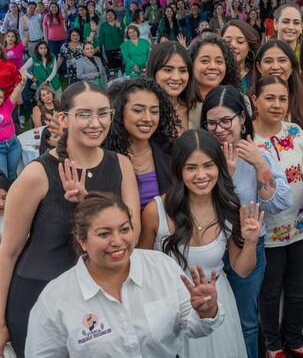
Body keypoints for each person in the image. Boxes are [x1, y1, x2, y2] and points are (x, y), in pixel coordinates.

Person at [0, 81, 140, 357]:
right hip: (38, 298)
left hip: (102, 301)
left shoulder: (121, 164)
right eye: (85, 114)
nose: (95, 123)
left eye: (103, 113)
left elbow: (130, 235)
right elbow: (8, 251)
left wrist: (89, 203)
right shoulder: (37, 174)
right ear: (64, 118)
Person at [25, 192, 225, 357]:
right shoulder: (55, 299)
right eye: (104, 234)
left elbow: (195, 328)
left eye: (124, 229)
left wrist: (206, 311)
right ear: (82, 240)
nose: (118, 241)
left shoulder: (161, 267)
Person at [139, 129, 260, 357]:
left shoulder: (229, 206)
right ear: (178, 170)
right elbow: (139, 267)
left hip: (217, 303)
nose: (201, 175)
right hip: (169, 307)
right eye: (191, 167)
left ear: (219, 167)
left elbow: (242, 270)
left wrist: (251, 241)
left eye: (208, 165)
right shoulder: (156, 211)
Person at [201, 85, 292, 358]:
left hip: (248, 243)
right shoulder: (201, 155)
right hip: (207, 246)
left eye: (226, 121)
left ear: (242, 118)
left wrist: (259, 165)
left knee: (246, 321)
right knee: (207, 320)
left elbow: (278, 203)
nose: (219, 129)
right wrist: (224, 175)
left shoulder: (257, 153)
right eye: (212, 123)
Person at [251, 75, 303, 358]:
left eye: (282, 98)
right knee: (269, 293)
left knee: (298, 290)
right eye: (269, 98)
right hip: (266, 233)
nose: (277, 104)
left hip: (302, 228)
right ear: (255, 100)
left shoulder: (295, 132)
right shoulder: (247, 139)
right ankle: (272, 346)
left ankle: (294, 342)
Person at [104, 78, 178, 210]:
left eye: (154, 111)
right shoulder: (104, 154)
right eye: (138, 110)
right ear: (120, 111)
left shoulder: (172, 150)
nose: (148, 119)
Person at [145, 41, 198, 133]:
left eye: (182, 70)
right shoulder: (141, 114)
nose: (176, 78)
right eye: (168, 70)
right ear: (153, 71)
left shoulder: (197, 110)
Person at [254, 40, 303, 127]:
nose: (275, 67)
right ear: (259, 67)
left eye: (282, 61)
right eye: (268, 61)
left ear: (292, 67)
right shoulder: (247, 99)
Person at [189, 34, 240, 100]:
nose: (213, 67)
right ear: (191, 63)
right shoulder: (178, 103)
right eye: (205, 61)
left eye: (219, 61)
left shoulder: (238, 100)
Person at [0, 68, 26, 180]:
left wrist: (23, 81)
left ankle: (12, 197)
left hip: (13, 145)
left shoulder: (7, 106)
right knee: (2, 178)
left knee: (12, 175)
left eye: (0, 97)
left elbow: (16, 93)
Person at [222, 20, 260, 93]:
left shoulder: (258, 77)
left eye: (240, 41)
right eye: (227, 41)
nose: (233, 46)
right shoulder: (215, 75)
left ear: (249, 46)